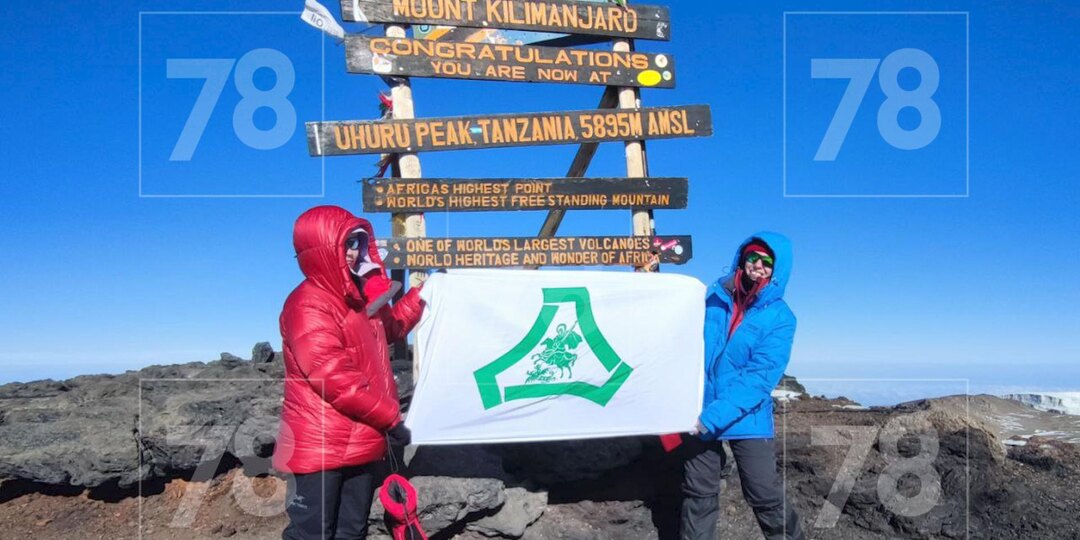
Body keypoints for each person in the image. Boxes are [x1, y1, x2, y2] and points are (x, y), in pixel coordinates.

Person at [273, 205, 424, 540]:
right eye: (347, 245)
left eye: (358, 244)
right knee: (311, 533)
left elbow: (392, 327)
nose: (355, 253)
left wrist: (423, 299)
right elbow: (334, 379)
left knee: (351, 531)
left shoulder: (357, 301)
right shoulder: (307, 304)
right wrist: (391, 419)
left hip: (361, 438)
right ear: (324, 250)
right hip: (320, 446)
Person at [680, 232, 804, 540]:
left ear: (777, 269)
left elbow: (758, 378)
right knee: (698, 494)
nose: (758, 266)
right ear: (742, 259)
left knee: (764, 493)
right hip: (699, 409)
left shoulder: (781, 317)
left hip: (745, 416)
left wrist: (711, 418)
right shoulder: (711, 298)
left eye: (766, 262)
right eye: (752, 257)